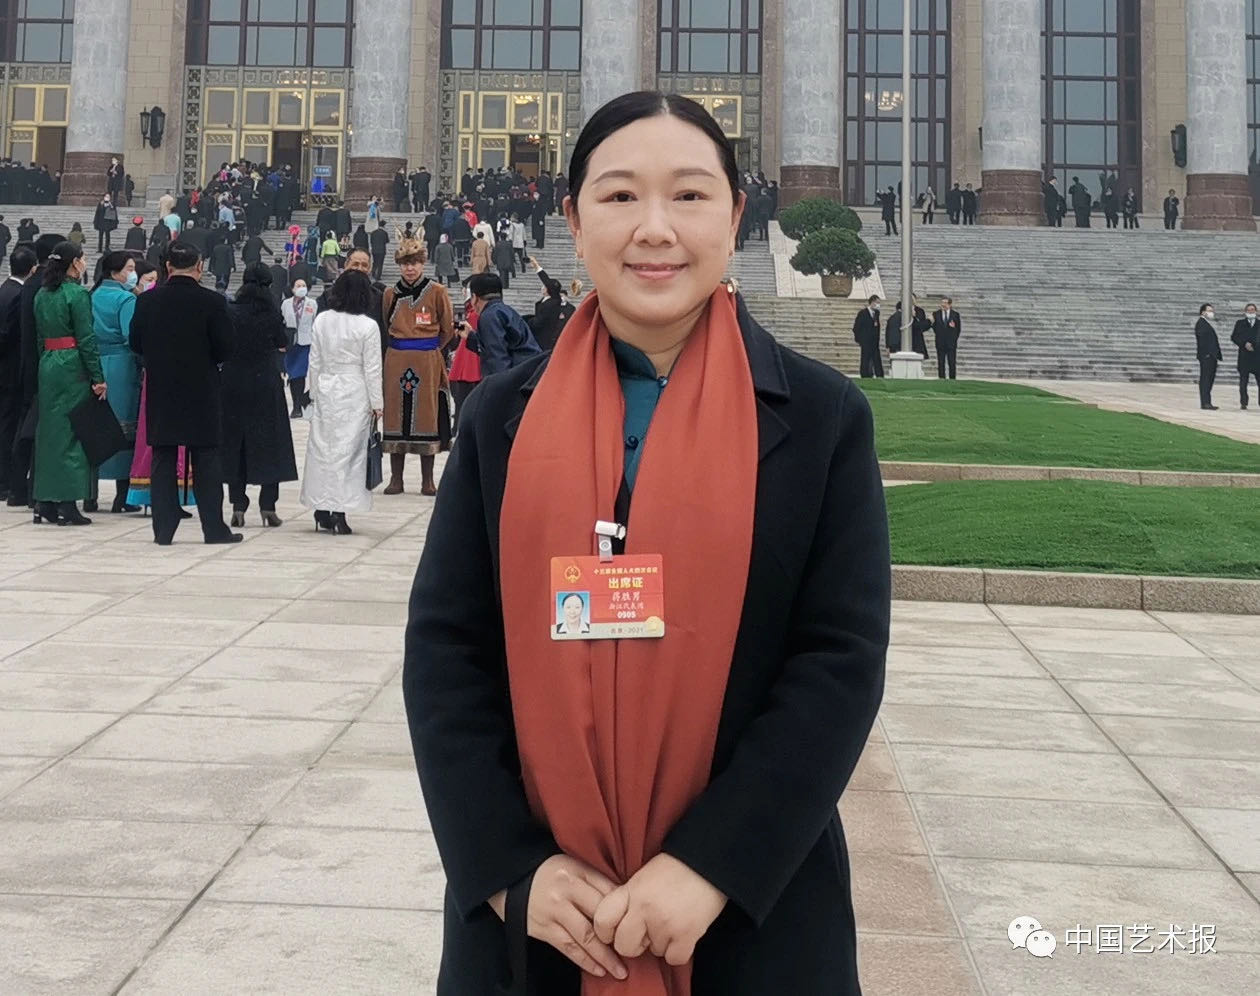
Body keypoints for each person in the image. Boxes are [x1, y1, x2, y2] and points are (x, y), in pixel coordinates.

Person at [403, 91, 889, 996]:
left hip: (749, 916)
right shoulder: (503, 417)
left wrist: (712, 867)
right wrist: (509, 869)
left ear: (736, 218)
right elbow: (446, 651)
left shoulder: (821, 419)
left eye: (690, 196)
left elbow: (838, 663)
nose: (655, 229)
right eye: (621, 196)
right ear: (573, 221)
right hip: (542, 922)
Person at [128, 241, 241, 545]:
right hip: (202, 388)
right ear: (200, 266)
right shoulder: (213, 302)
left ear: (167, 267)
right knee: (206, 457)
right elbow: (226, 348)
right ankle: (213, 528)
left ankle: (163, 529)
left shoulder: (147, 301)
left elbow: (135, 342)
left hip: (162, 386)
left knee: (163, 455)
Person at [300, 269, 384, 535]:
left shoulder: (322, 320)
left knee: (322, 450)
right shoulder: (368, 326)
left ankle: (321, 507)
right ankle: (340, 511)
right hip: (355, 390)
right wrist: (377, 403)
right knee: (349, 454)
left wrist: (312, 392)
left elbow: (314, 359)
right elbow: (372, 368)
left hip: (326, 386)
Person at [222, 263, 297, 528]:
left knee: (236, 442)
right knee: (270, 441)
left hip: (233, 381)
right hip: (264, 380)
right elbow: (282, 342)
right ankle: (268, 505)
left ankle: (238, 505)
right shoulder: (272, 313)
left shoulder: (230, 311)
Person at [30, 241, 101, 525]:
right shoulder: (77, 294)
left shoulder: (42, 294)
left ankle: (45, 499)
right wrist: (97, 376)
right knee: (72, 432)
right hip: (72, 364)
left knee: (49, 432)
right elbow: (86, 338)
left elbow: (39, 337)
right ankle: (68, 501)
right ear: (74, 263)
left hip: (48, 362)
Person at [381, 236, 454, 496]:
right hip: (397, 358)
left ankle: (428, 480)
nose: (409, 268)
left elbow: (447, 328)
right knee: (395, 415)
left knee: (427, 415)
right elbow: (386, 324)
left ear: (423, 264)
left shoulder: (437, 291)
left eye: (414, 263)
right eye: (405, 264)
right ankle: (396, 478)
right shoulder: (390, 294)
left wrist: (430, 348)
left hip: (427, 358)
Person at [89, 252, 143, 513]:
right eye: (129, 268)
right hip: (122, 365)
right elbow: (131, 336)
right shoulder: (126, 298)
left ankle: (90, 494)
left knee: (95, 427)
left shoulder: (92, 295)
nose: (133, 273)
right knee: (124, 428)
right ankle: (123, 496)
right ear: (116, 271)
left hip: (95, 363)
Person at [0, 246, 36, 504]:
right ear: (32, 268)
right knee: (9, 425)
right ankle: (6, 480)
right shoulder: (19, 295)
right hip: (11, 370)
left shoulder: (5, 289)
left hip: (5, 369)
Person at [461, 272, 540, 377]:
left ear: (475, 297)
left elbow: (497, 359)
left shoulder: (489, 316)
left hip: (518, 377)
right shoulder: (505, 311)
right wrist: (470, 337)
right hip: (530, 371)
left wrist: (498, 385)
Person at [281, 277, 317, 417]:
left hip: (305, 342)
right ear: (292, 289)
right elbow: (282, 321)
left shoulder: (312, 304)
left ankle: (297, 406)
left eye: (303, 285)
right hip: (290, 343)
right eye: (298, 285)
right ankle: (298, 402)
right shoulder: (285, 304)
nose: (301, 288)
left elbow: (315, 322)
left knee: (299, 373)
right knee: (292, 374)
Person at [449, 292, 481, 432]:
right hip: (465, 351)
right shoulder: (469, 310)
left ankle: (459, 425)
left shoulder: (474, 314)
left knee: (463, 395)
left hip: (469, 353)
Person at [1231, 303, 1260, 410]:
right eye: (1249, 310)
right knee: (1243, 382)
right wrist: (1244, 344)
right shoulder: (1240, 323)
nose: (1251, 312)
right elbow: (1234, 337)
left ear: (1256, 311)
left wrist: (1255, 346)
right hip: (1244, 356)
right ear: (1245, 312)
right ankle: (1244, 402)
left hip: (1257, 356)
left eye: (1252, 310)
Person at [1195, 303, 1223, 411]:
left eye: (1212, 311)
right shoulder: (1201, 324)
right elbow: (1202, 341)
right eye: (1209, 311)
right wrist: (1207, 354)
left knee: (1209, 379)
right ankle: (1205, 402)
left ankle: (1207, 401)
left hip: (1211, 356)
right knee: (1206, 379)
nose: (1212, 313)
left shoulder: (1205, 323)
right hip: (1207, 356)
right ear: (1203, 312)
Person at [852, 294, 883, 378]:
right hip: (865, 341)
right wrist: (860, 339)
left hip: (874, 341)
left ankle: (879, 374)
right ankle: (865, 374)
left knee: (876, 359)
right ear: (872, 302)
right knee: (865, 358)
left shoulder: (877, 313)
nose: (878, 305)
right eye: (877, 302)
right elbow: (856, 327)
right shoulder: (863, 313)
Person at [932, 297, 962, 379]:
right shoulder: (936, 314)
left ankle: (952, 378)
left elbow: (958, 329)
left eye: (945, 303)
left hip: (951, 343)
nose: (943, 305)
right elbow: (934, 327)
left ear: (950, 304)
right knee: (941, 362)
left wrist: (953, 338)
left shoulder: (955, 315)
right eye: (942, 302)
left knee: (951, 362)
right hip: (940, 342)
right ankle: (941, 378)